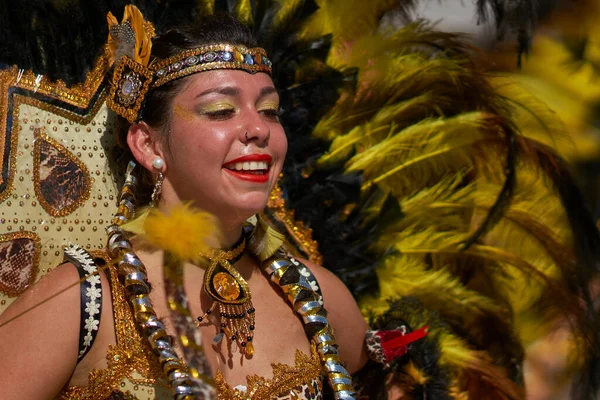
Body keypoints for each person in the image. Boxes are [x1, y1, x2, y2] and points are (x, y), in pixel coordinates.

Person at [0, 9, 371, 400]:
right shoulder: (83, 302)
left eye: (269, 111)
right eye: (220, 111)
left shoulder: (314, 294)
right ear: (149, 145)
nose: (259, 129)